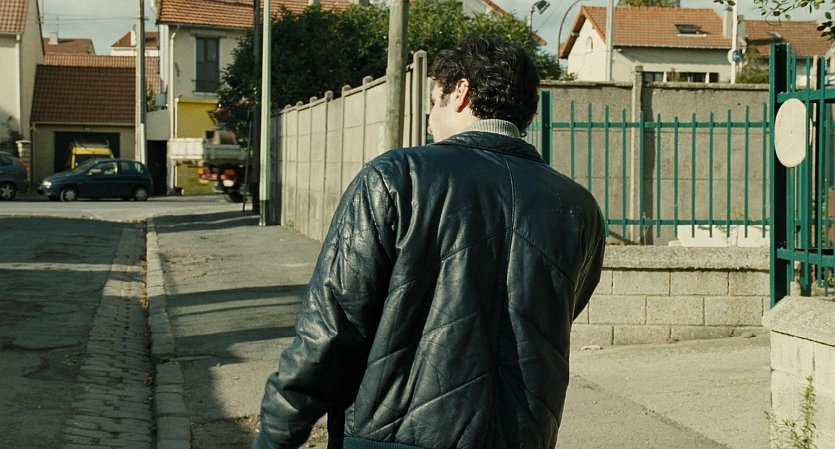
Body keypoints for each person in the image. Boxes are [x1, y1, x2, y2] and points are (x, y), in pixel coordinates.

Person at [253, 34, 605, 449]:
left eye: (432, 103)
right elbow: (559, 312)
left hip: (393, 435)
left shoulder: (397, 177)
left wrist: (275, 435)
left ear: (460, 92)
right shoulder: (579, 207)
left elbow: (330, 328)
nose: (428, 121)